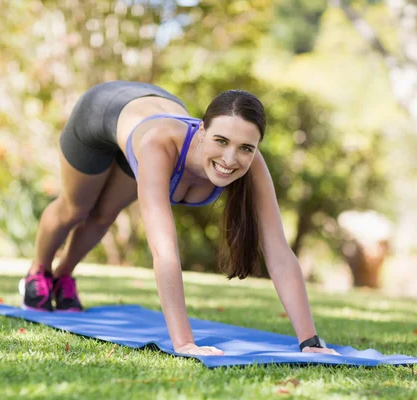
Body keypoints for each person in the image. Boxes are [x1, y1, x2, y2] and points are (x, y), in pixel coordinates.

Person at [20, 81, 338, 356]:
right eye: (221, 141)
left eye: (245, 148)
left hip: (144, 111)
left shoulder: (250, 163)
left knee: (104, 216)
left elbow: (278, 252)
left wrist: (309, 340)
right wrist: (184, 342)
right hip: (101, 110)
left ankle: (62, 277)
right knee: (77, 208)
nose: (231, 159)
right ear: (202, 129)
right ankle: (38, 273)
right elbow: (164, 251)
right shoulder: (159, 145)